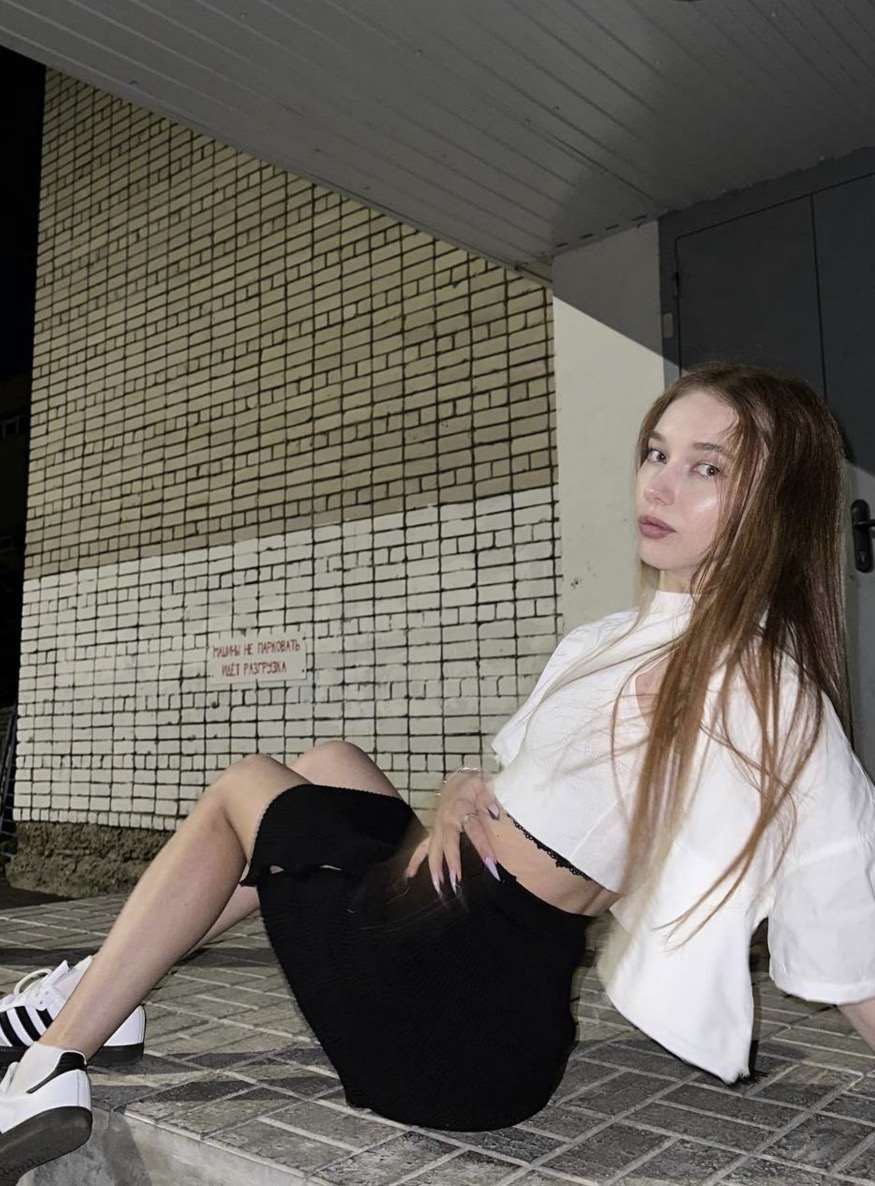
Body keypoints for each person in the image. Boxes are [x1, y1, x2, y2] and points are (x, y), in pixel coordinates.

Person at [3, 361, 875, 1181]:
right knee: (329, 764)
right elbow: (555, 803)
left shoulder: (757, 685)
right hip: (487, 1001)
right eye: (655, 452)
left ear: (774, 503)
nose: (657, 485)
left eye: (705, 468)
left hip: (443, 1029)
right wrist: (466, 791)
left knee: (245, 787)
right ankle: (110, 983)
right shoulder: (607, 640)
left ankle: (52, 1057)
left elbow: (844, 910)